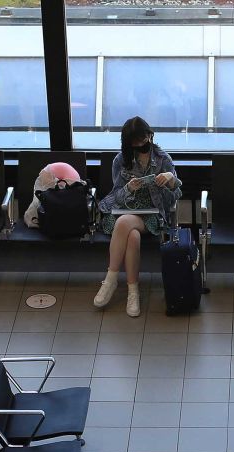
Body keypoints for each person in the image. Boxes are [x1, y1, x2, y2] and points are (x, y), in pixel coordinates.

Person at [94, 116, 182, 317]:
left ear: (150, 136)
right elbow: (115, 195)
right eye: (135, 144)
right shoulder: (120, 160)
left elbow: (176, 196)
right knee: (132, 236)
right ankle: (133, 292)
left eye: (144, 141)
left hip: (151, 213)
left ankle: (110, 279)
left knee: (125, 223)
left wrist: (170, 181)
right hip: (123, 208)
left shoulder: (163, 159)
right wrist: (128, 188)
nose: (141, 146)